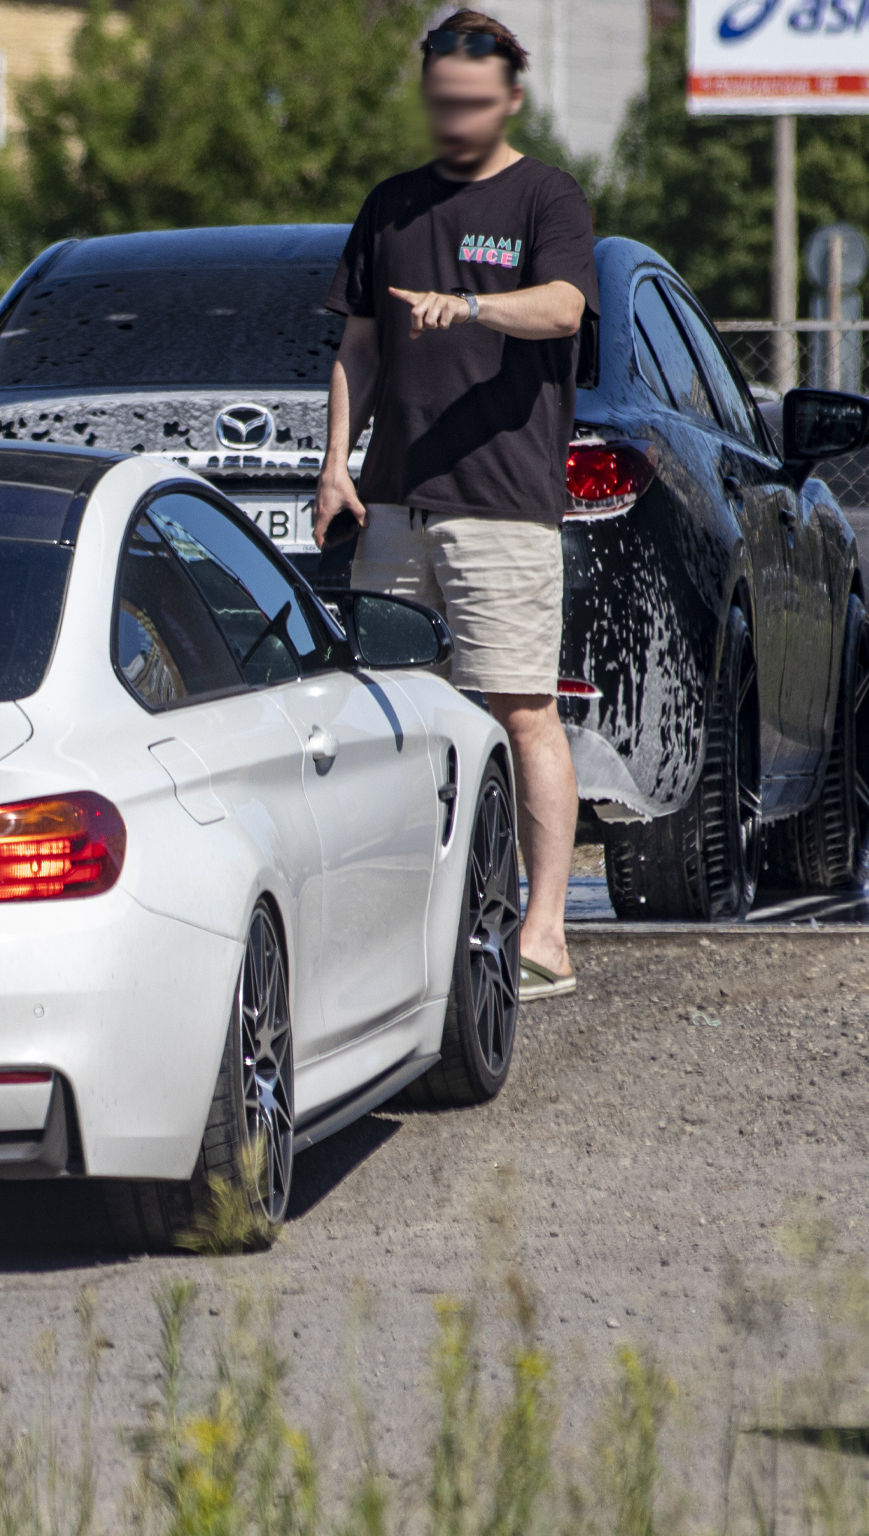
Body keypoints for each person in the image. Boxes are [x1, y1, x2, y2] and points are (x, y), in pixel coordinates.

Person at [314, 8, 593, 1003]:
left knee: (519, 709)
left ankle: (545, 932)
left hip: (501, 504)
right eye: (440, 100)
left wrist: (469, 305)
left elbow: (561, 307)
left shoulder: (542, 197)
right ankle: (407, 936)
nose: (455, 117)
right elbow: (356, 346)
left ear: (507, 97)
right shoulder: (388, 206)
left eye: (472, 103)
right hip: (393, 505)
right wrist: (335, 462)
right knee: (392, 717)